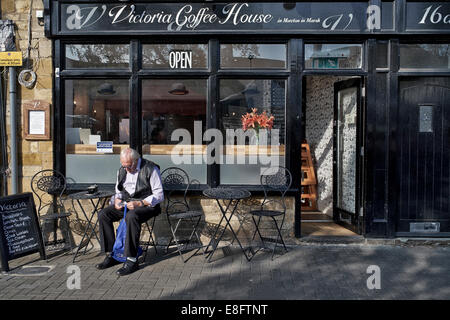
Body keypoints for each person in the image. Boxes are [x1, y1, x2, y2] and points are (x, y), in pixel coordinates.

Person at [95, 147, 164, 276]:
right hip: (127, 203)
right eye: (124, 166)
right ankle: (112, 254)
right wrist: (117, 200)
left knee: (132, 217)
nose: (126, 169)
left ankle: (132, 259)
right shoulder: (122, 170)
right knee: (104, 214)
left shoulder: (150, 168)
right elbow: (119, 191)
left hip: (147, 205)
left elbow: (159, 195)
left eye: (128, 166)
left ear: (136, 160)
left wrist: (140, 203)